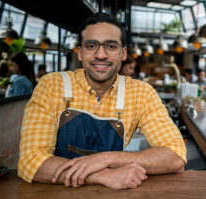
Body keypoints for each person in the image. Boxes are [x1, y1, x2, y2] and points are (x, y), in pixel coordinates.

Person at [18, 13, 186, 189]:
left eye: (111, 46)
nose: (101, 55)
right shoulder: (52, 86)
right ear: (80, 53)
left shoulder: (141, 93)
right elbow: (31, 162)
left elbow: (176, 157)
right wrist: (100, 175)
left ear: (123, 53)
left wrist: (107, 158)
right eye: (91, 46)